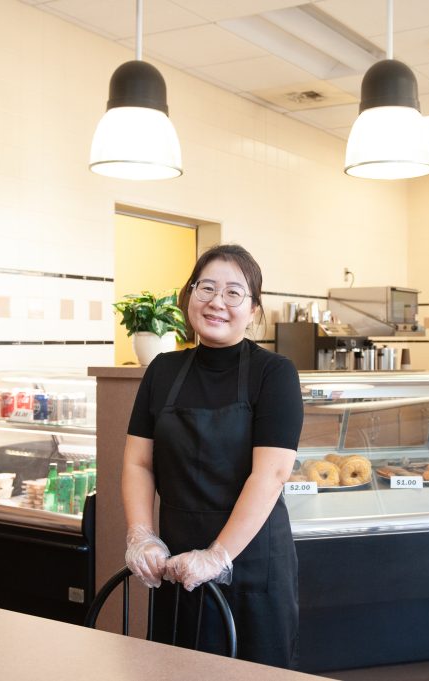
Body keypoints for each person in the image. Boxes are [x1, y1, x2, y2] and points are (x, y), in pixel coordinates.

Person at [121, 244, 303, 668]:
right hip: (177, 560)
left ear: (254, 309)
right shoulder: (162, 371)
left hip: (252, 561)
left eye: (234, 293)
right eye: (206, 288)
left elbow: (271, 474)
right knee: (178, 671)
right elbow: (137, 463)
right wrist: (142, 534)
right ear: (189, 297)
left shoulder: (274, 374)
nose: (217, 302)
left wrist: (218, 556)